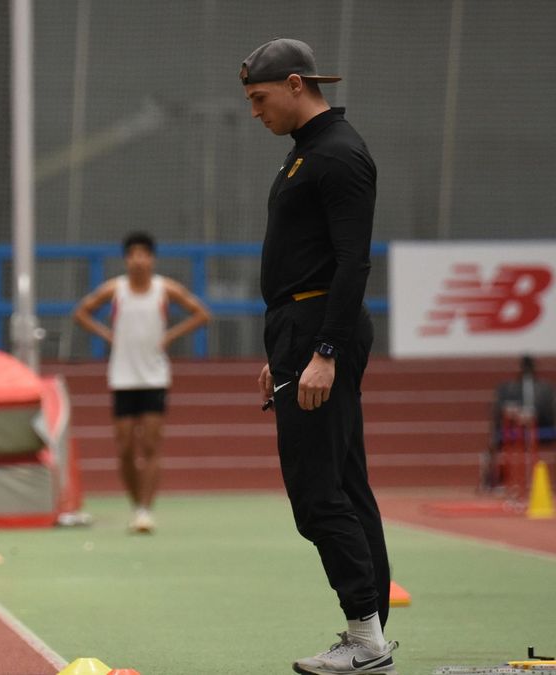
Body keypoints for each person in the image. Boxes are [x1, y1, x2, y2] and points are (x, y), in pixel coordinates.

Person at [242, 38, 397, 675]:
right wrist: (282, 351)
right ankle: (372, 632)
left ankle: (366, 640)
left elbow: (353, 262)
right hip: (300, 330)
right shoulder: (308, 152)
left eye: (260, 98)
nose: (255, 112)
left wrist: (323, 351)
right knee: (345, 484)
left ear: (296, 84)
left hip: (319, 331)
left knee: (317, 493)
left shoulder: (337, 154)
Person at [72, 232, 211, 533]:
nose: (138, 260)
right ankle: (136, 504)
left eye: (144, 254)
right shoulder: (115, 289)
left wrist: (170, 336)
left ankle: (146, 510)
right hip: (122, 376)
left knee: (150, 444)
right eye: (132, 254)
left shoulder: (165, 289)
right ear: (126, 259)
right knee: (124, 447)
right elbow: (81, 312)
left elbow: (201, 313)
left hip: (154, 376)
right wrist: (106, 334)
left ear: (152, 258)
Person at [484, 355, 556, 491]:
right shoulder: (509, 388)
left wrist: (534, 415)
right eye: (525, 367)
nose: (527, 371)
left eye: (530, 367)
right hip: (515, 428)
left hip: (541, 427)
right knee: (496, 438)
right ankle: (495, 479)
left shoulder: (546, 389)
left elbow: (550, 412)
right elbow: (500, 409)